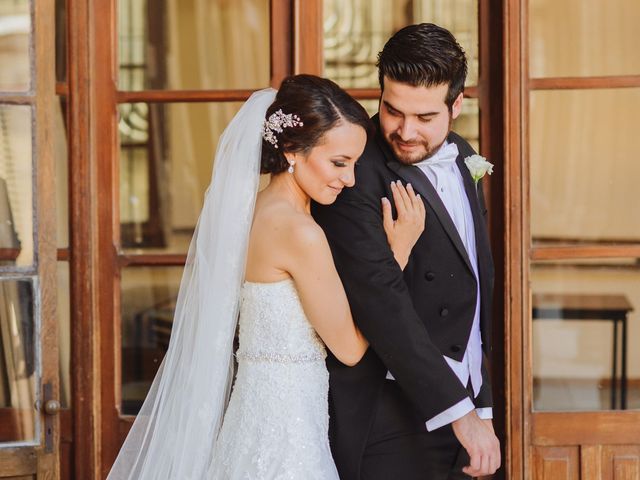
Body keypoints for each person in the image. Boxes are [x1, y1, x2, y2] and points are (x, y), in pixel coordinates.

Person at [107, 74, 425, 479]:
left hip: (248, 418)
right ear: (292, 149)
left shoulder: (247, 213)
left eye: (355, 164)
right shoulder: (301, 233)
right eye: (339, 163)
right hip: (289, 431)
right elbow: (350, 349)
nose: (350, 180)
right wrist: (396, 253)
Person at [312, 23, 501, 479]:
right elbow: (380, 302)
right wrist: (462, 414)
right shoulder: (354, 173)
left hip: (468, 402)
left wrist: (483, 404)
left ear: (457, 104)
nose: (405, 131)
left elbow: (474, 284)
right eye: (393, 110)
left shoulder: (462, 153)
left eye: (425, 117)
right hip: (390, 416)